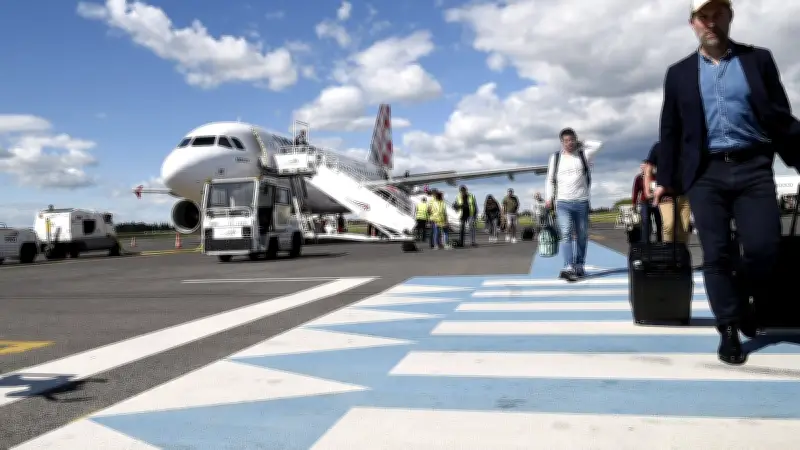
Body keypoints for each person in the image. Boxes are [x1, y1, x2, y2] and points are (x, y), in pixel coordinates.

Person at [655, 0, 800, 365]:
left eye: (718, 14)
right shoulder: (678, 73)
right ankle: (729, 327)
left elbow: (781, 116)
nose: (711, 23)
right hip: (706, 173)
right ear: (692, 23)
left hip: (753, 167)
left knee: (764, 248)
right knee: (716, 253)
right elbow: (670, 131)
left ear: (729, 17)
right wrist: (666, 180)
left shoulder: (758, 60)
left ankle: (747, 303)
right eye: (703, 17)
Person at [545, 128, 595, 281]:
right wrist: (549, 197)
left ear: (575, 140)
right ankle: (568, 265)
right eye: (566, 141)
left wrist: (582, 143)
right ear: (561, 142)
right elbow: (550, 179)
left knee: (581, 235)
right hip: (563, 202)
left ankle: (579, 265)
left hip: (581, 201)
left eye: (572, 140)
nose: (569, 143)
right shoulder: (555, 158)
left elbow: (598, 145)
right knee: (566, 233)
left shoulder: (582, 155)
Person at [645, 142, 690, 243]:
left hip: (684, 193)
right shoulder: (658, 147)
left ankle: (681, 254)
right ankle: (667, 253)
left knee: (684, 228)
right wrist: (647, 191)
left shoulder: (685, 146)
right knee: (668, 225)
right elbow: (648, 169)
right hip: (666, 195)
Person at [632, 160, 662, 242]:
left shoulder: (656, 177)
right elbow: (635, 191)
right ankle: (645, 242)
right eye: (643, 167)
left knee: (659, 221)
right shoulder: (639, 178)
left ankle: (660, 241)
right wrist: (634, 204)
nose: (644, 168)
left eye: (646, 166)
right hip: (644, 202)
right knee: (645, 221)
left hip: (657, 201)